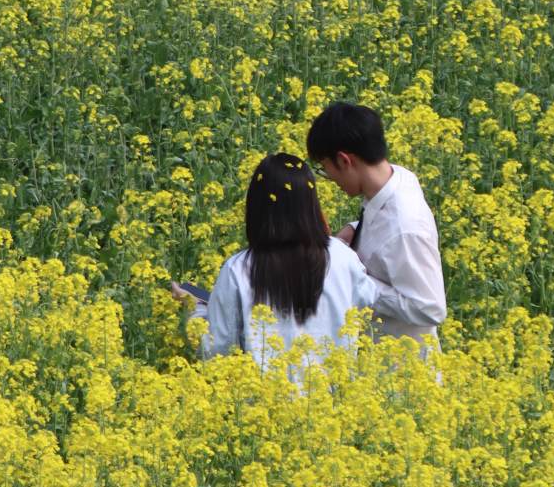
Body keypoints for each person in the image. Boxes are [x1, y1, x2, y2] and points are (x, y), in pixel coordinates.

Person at [172, 152, 378, 377]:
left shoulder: (237, 269)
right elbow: (366, 310)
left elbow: (215, 351)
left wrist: (195, 308)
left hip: (261, 407)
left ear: (257, 207)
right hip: (339, 405)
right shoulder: (344, 258)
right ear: (311, 205)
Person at [305, 102, 447, 354]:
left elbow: (430, 308)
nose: (329, 179)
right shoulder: (396, 179)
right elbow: (385, 229)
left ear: (344, 160)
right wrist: (355, 228)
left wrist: (355, 279)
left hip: (401, 372)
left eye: (325, 169)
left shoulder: (405, 227)